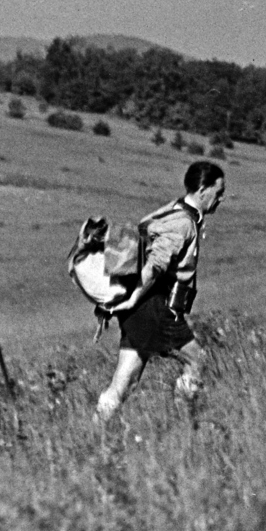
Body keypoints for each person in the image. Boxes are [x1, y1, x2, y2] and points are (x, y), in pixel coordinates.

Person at [94, 160, 225, 422]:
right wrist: (133, 297)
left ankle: (96, 431)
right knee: (198, 360)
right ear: (202, 190)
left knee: (124, 385)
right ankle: (187, 422)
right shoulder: (184, 223)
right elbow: (154, 266)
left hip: (139, 311)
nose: (220, 199)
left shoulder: (170, 210)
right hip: (154, 307)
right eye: (218, 192)